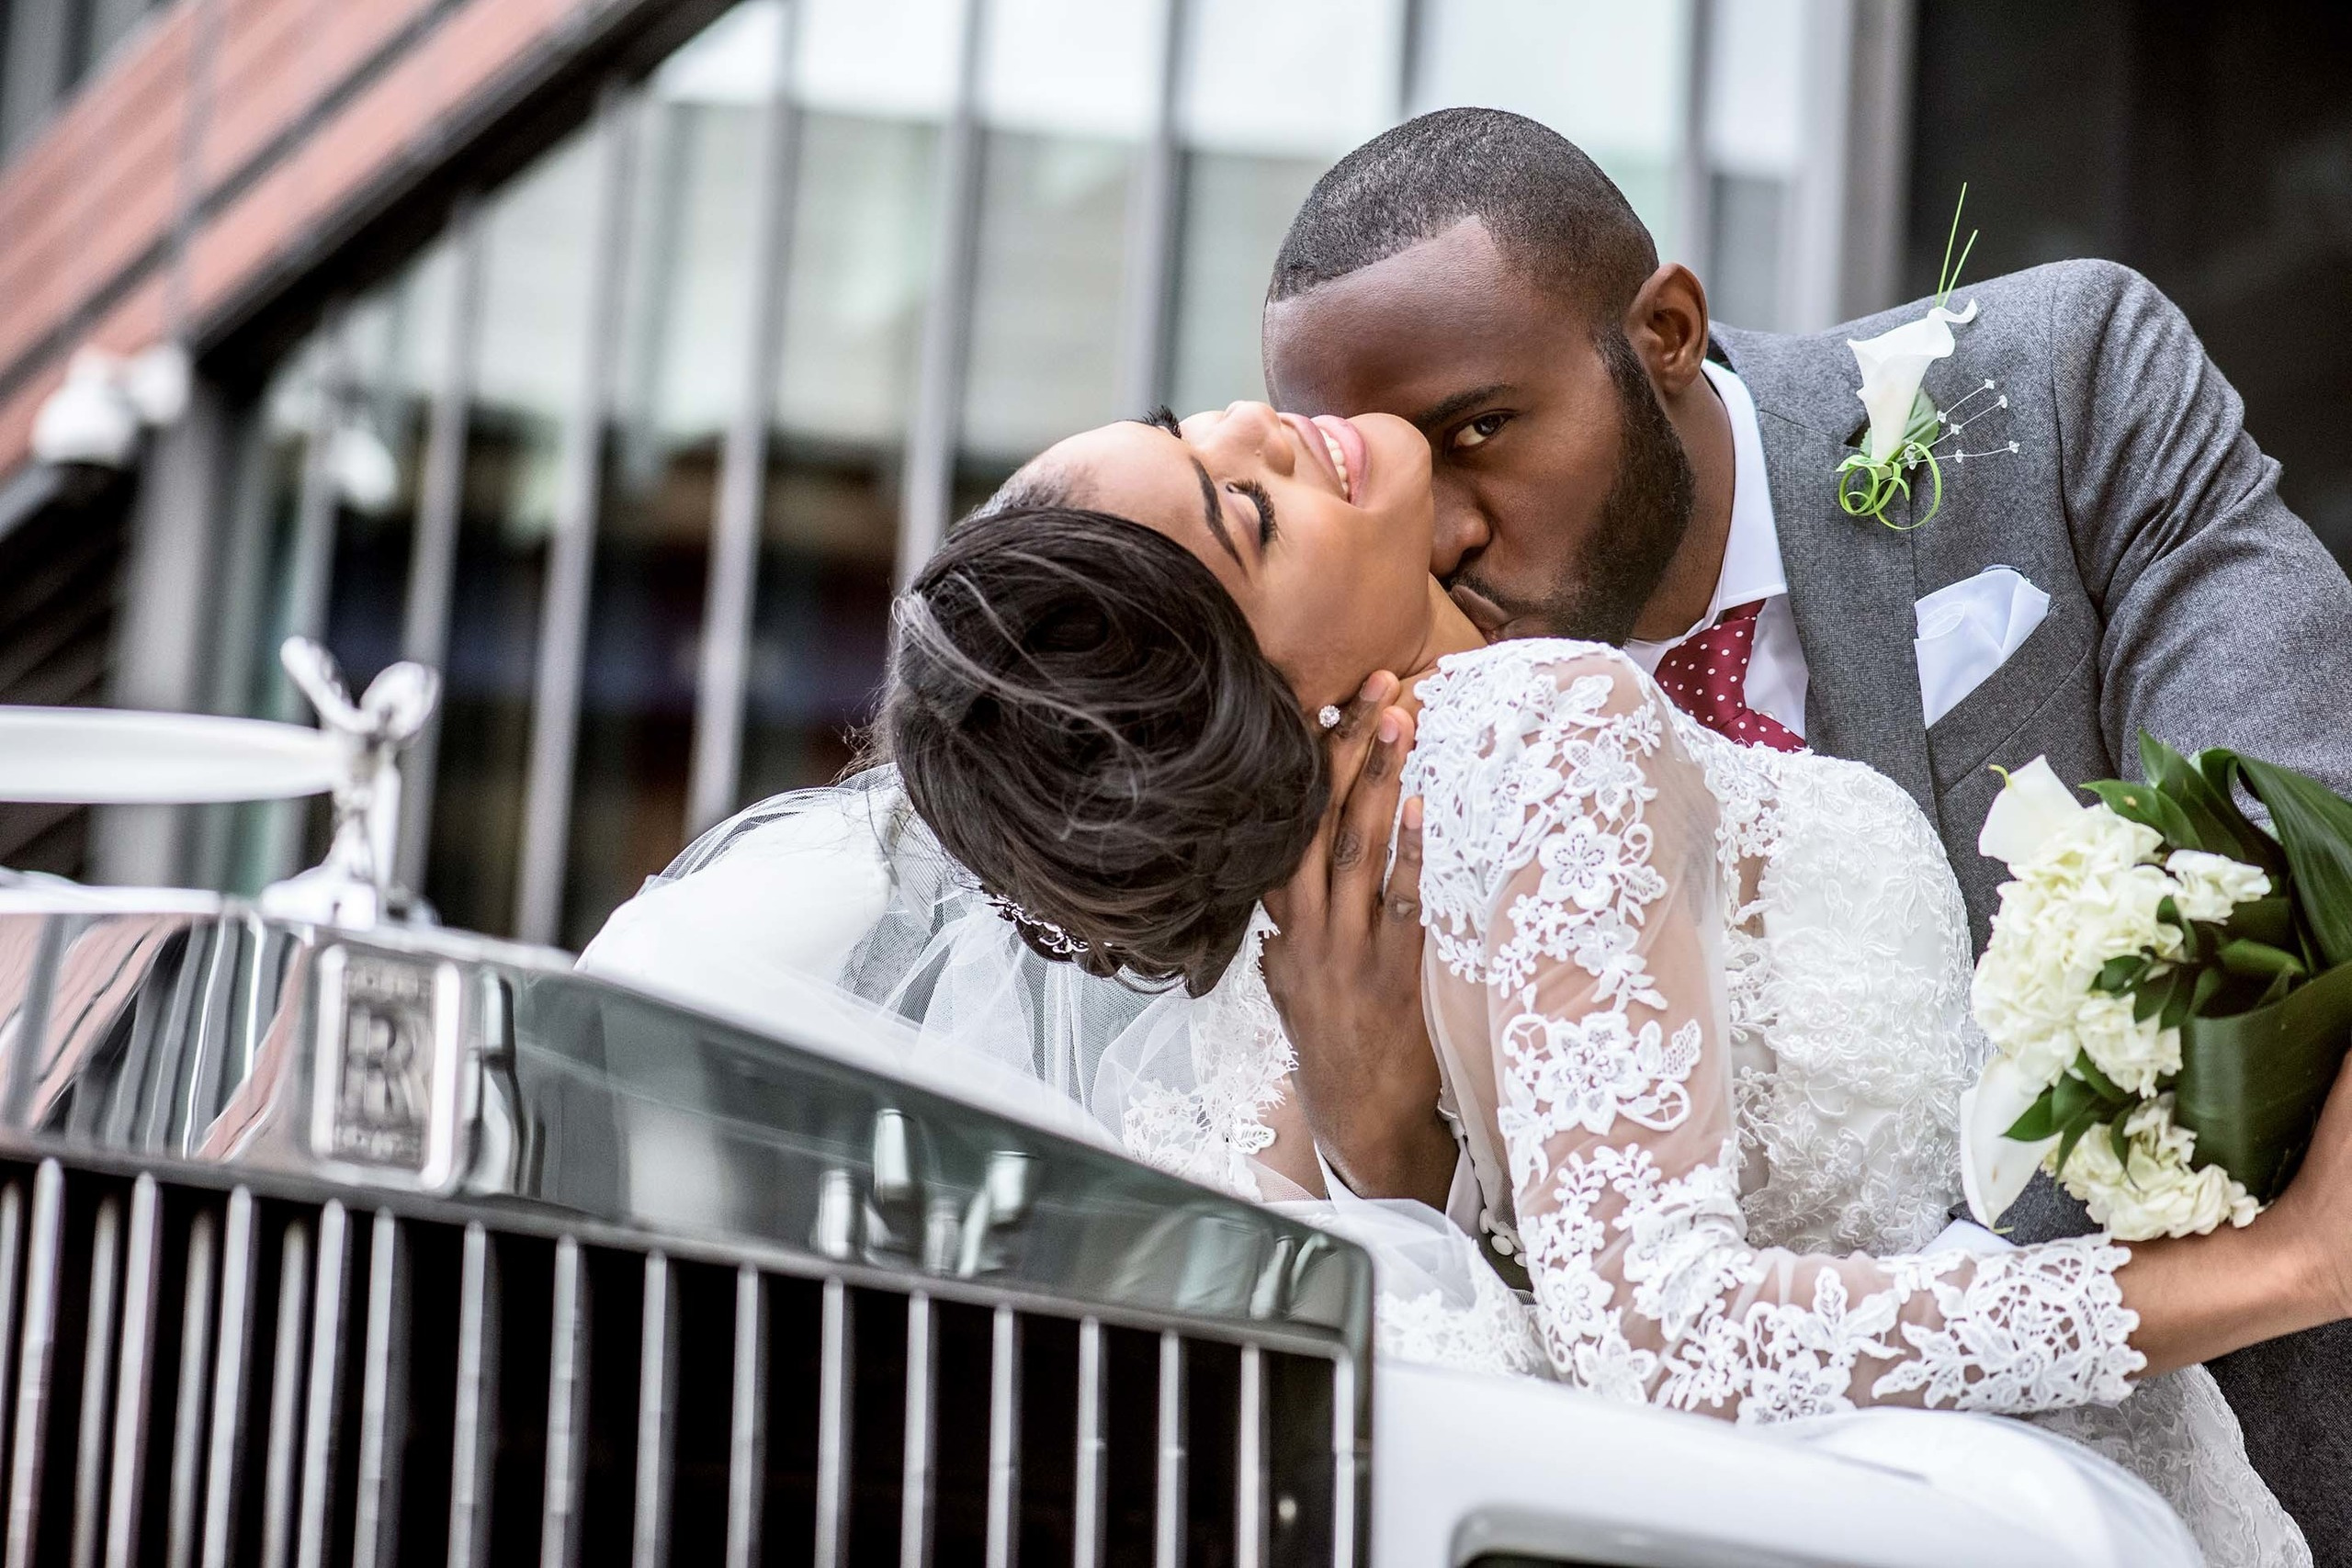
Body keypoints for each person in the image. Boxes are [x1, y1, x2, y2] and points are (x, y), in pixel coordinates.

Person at [1248, 109, 2352, 1552]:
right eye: (1380, 468)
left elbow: (2300, 860)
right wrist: (1387, 1150)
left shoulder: (2065, 381)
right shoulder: (1396, 770)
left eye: (1482, 430)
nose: (1443, 527)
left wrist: (2236, 1277)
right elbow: (1581, 1307)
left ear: (1664, 332)